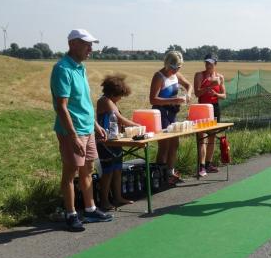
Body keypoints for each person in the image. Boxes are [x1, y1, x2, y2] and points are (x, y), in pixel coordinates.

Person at [50, 29, 113, 232]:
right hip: (72, 131)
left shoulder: (81, 67)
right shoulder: (62, 69)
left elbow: (83, 101)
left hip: (87, 128)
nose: (90, 49)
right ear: (73, 44)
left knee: (88, 169)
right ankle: (71, 214)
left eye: (91, 45)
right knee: (70, 172)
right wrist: (73, 136)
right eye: (87, 44)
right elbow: (62, 107)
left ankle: (90, 209)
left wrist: (95, 125)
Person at [96, 74, 141, 210]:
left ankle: (118, 197)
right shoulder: (105, 101)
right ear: (112, 93)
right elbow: (119, 118)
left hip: (115, 141)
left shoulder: (111, 101)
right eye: (120, 96)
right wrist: (137, 125)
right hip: (105, 143)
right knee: (108, 172)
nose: (120, 98)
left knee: (117, 170)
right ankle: (104, 201)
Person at [149, 50, 192, 185]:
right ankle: (159, 177)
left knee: (174, 143)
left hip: (172, 113)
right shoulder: (159, 76)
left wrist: (188, 94)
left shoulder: (176, 74)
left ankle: (170, 173)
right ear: (167, 64)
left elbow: (188, 85)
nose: (175, 70)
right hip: (161, 114)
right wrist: (174, 100)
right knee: (164, 146)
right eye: (173, 68)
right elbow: (153, 99)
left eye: (178, 67)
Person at [193, 53, 226, 177]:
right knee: (202, 137)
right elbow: (197, 93)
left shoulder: (220, 77)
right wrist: (207, 87)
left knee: (212, 136)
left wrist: (216, 94)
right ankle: (201, 167)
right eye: (206, 63)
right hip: (202, 108)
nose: (208, 65)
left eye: (210, 63)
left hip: (215, 108)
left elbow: (224, 95)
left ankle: (208, 164)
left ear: (215, 63)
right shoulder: (199, 75)